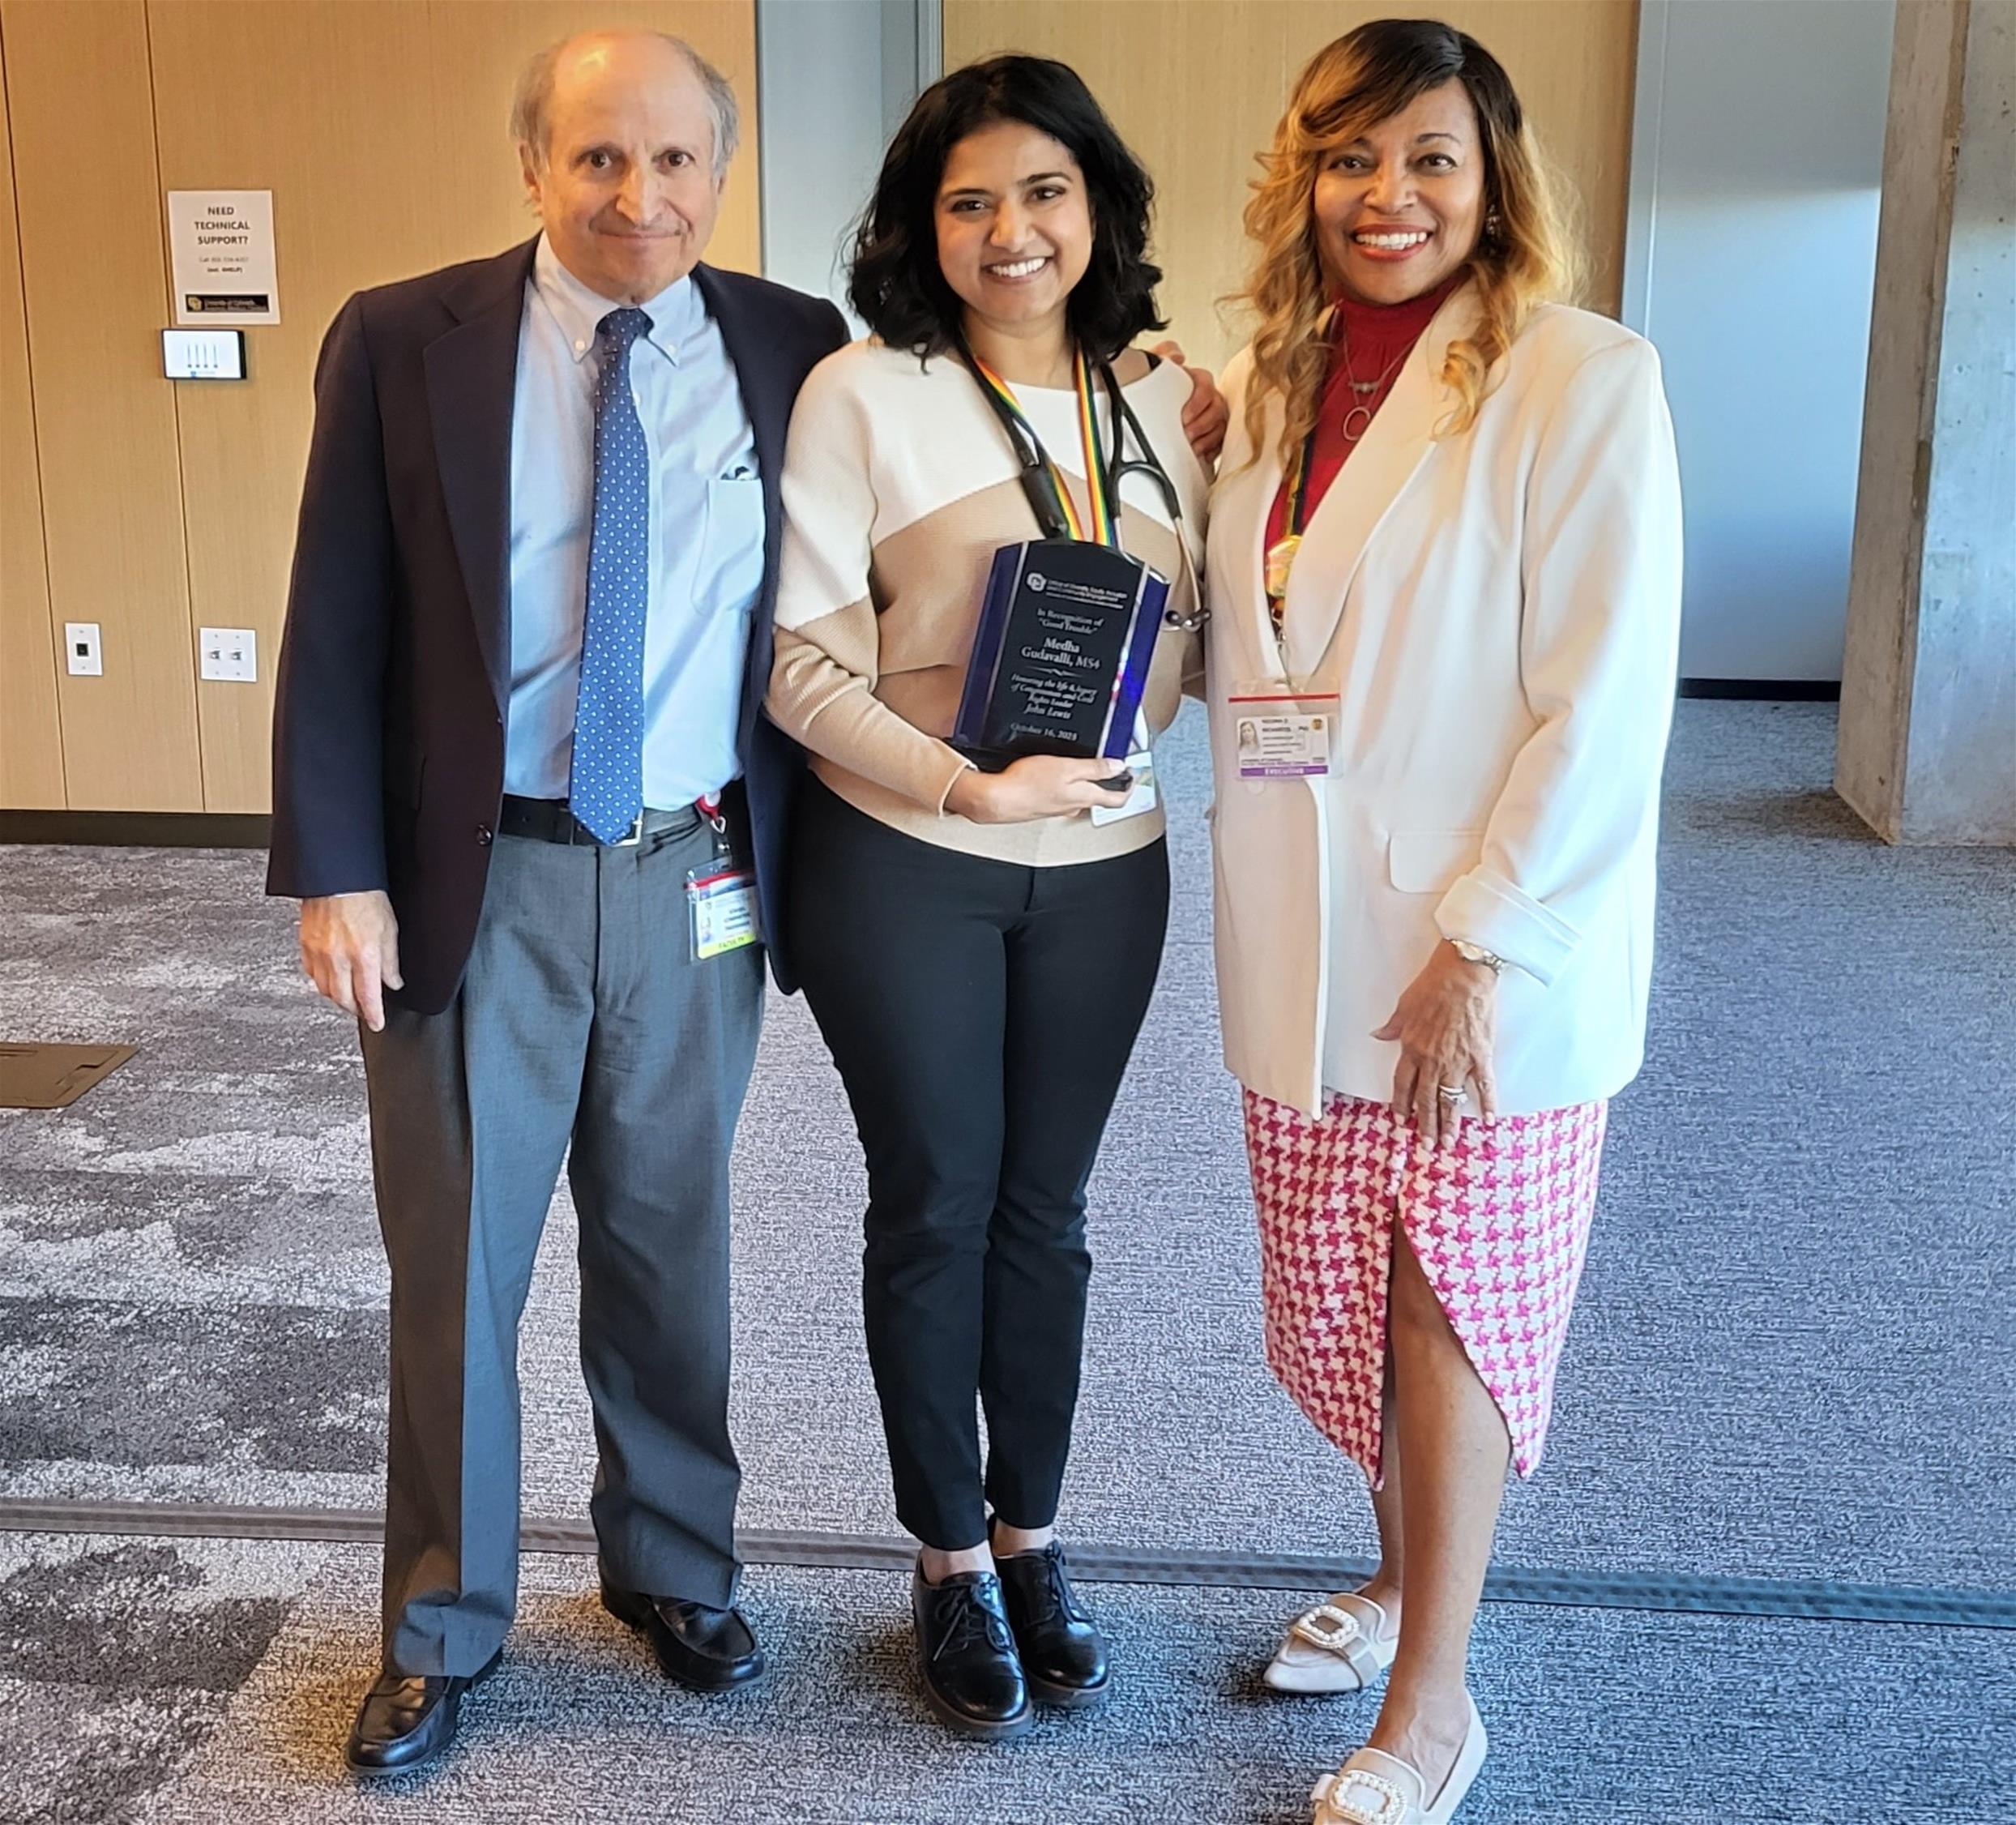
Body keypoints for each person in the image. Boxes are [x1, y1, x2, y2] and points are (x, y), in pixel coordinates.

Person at [266, 31, 852, 1775]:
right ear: (533, 167)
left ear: (719, 175)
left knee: (674, 1242)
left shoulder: (788, 345)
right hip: (479, 876)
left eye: (675, 162)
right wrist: (339, 871)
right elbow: (335, 620)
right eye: (598, 159)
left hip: (696, 873)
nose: (638, 197)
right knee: (456, 1266)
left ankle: (672, 1567)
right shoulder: (401, 340)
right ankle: (441, 1622)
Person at [1203, 20, 1681, 1825]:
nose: (1385, 196)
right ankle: (1399, 1576)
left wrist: (1483, 940)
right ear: (1301, 182)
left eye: (1425, 158)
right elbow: (1248, 637)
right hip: (1298, 920)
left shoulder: (1577, 377)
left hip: (1483, 948)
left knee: (1443, 1304)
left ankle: (1433, 1701)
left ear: (1493, 178)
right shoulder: (1265, 392)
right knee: (1341, 1296)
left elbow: (1602, 699)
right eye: (1347, 159)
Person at [766, 55, 1210, 1742]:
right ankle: (946, 1559)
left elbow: (1206, 631)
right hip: (911, 861)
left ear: (1097, 207)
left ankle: (1034, 1536)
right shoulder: (862, 396)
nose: (1009, 229)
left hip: (1110, 870)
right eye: (968, 201)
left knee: (1051, 1212)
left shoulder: (1162, 410)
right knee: (937, 1200)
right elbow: (801, 667)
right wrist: (963, 781)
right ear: (919, 226)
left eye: (1041, 191)